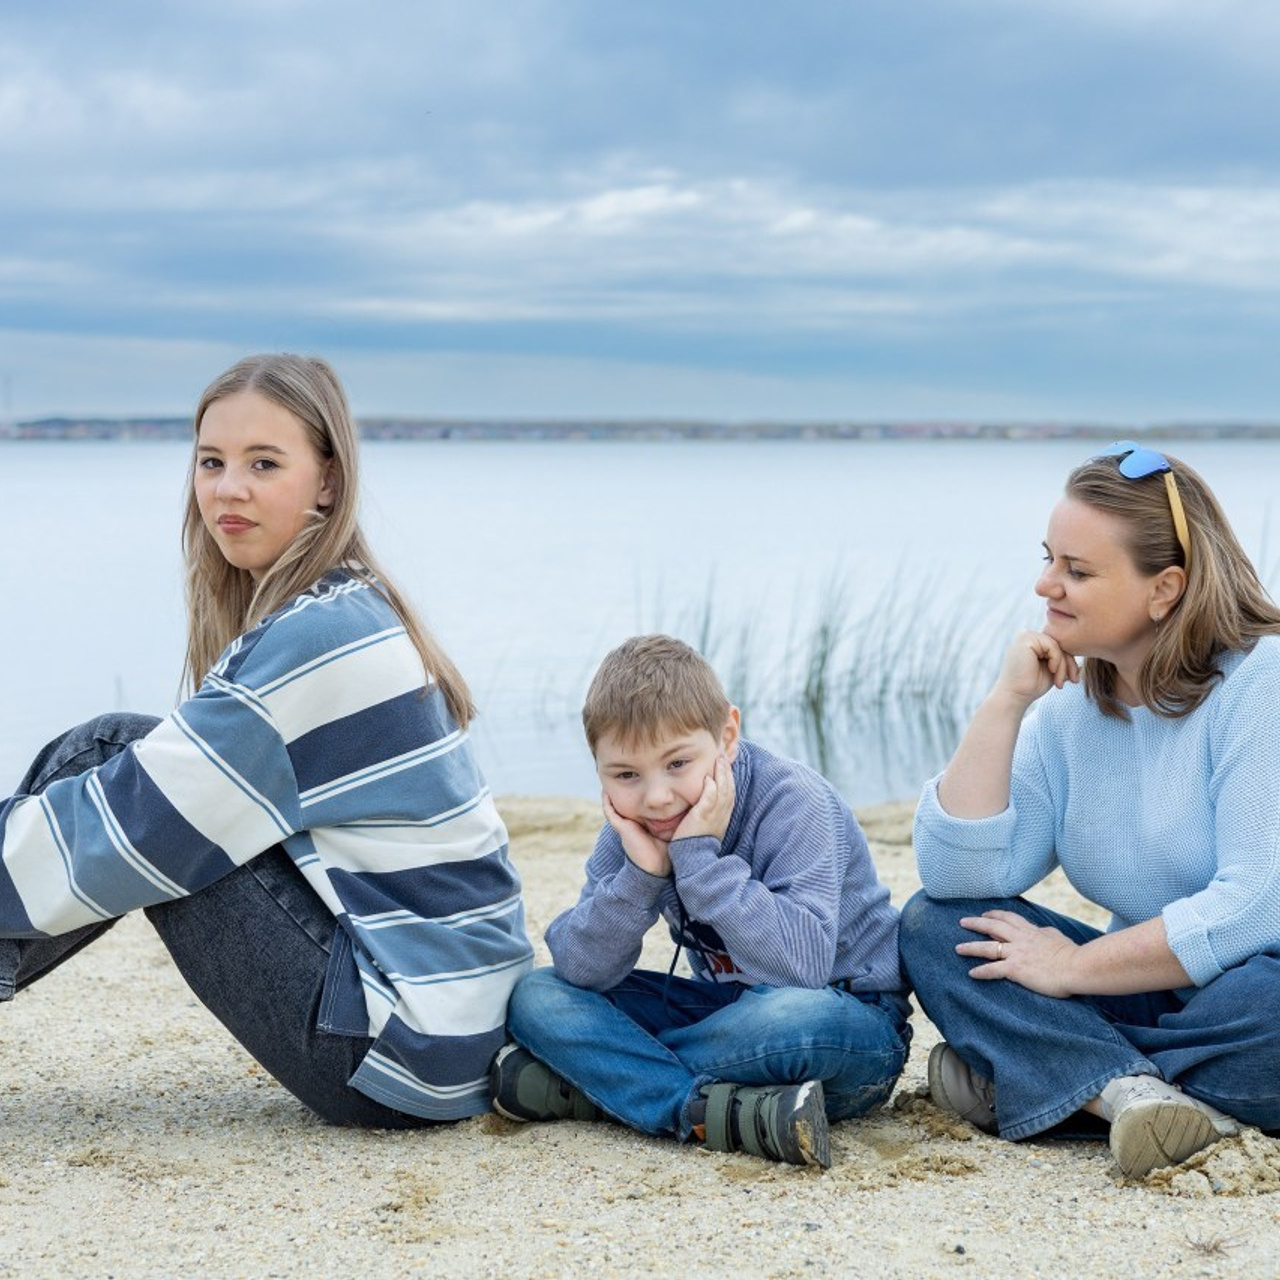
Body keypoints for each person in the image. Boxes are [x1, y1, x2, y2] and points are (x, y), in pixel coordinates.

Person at [0, 353, 531, 1125]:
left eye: (263, 463)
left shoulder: (321, 637)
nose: (228, 489)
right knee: (128, 783)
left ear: (326, 481)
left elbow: (132, 828)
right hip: (456, 1037)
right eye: (211, 462)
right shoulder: (348, 606)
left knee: (111, 760)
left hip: (403, 1053)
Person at [899, 441, 1280, 1179]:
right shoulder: (1069, 710)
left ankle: (1063, 1082)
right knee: (935, 926)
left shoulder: (1262, 683)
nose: (1046, 585)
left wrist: (1073, 968)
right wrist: (1005, 703)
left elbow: (1256, 907)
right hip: (1145, 992)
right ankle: (1132, 1097)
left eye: (1077, 571)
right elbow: (959, 875)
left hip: (1253, 989)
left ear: (1164, 589)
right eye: (1049, 559)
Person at [490, 635, 909, 1169]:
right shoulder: (633, 829)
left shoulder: (794, 801)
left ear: (727, 736)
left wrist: (700, 862)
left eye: (678, 764)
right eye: (625, 775)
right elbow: (581, 969)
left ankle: (607, 1079)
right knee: (538, 996)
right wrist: (643, 875)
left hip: (844, 1027)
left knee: (787, 1016)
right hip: (728, 1018)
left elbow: (800, 969)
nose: (656, 796)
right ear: (598, 767)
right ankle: (695, 1106)